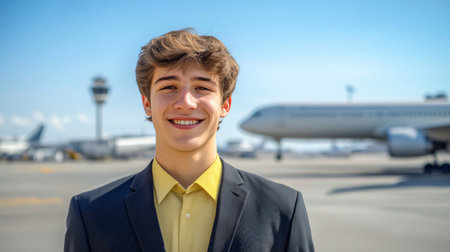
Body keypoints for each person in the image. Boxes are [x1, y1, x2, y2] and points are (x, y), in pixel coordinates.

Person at [64, 28, 314, 252]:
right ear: (147, 103)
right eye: (169, 87)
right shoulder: (90, 213)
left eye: (202, 88)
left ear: (225, 105)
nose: (185, 102)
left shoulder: (282, 209)